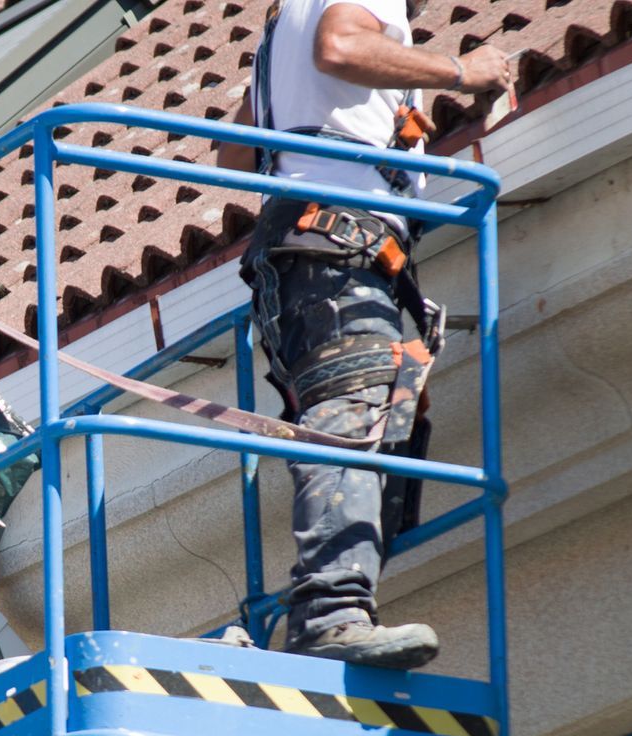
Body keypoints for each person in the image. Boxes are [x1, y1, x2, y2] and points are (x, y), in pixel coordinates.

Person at [216, 0, 512, 669]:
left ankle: (321, 610)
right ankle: (331, 615)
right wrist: (460, 72)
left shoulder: (277, 34)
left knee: (353, 410)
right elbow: (343, 48)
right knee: (348, 415)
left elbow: (236, 152)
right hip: (335, 244)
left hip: (298, 248)